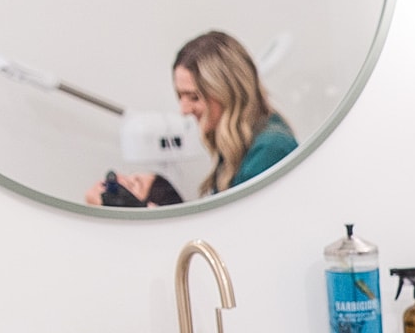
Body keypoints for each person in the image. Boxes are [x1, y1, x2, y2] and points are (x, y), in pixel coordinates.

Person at [84, 30, 299, 206]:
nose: (184, 110)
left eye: (194, 97)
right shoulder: (238, 147)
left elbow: (240, 235)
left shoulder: (270, 151)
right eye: (180, 96)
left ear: (228, 92)